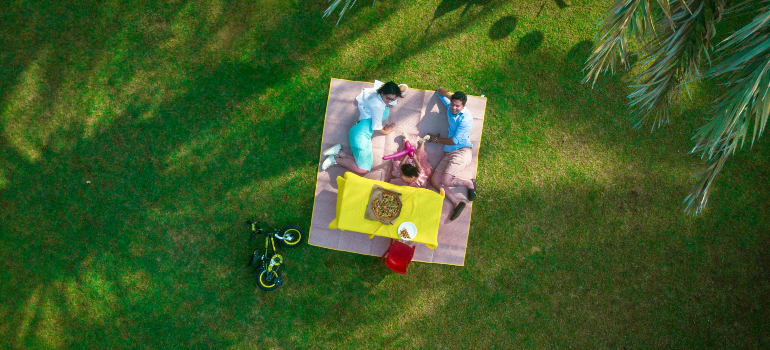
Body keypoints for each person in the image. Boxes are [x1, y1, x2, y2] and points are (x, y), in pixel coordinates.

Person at [321, 81, 408, 174]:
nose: (390, 101)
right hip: (360, 135)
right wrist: (386, 131)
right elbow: (376, 127)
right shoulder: (377, 106)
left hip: (359, 131)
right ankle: (335, 159)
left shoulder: (381, 95)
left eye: (393, 99)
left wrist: (398, 90)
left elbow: (404, 87)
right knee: (363, 169)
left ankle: (339, 152)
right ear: (382, 92)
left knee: (362, 162)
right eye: (388, 98)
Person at [426, 87, 477, 221]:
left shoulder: (466, 119)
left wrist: (435, 140)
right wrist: (449, 96)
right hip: (449, 152)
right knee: (434, 181)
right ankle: (456, 203)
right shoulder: (450, 105)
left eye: (457, 106)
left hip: (462, 150)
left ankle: (469, 183)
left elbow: (454, 141)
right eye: (453, 104)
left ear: (463, 106)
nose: (454, 108)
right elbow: (439, 90)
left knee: (446, 181)